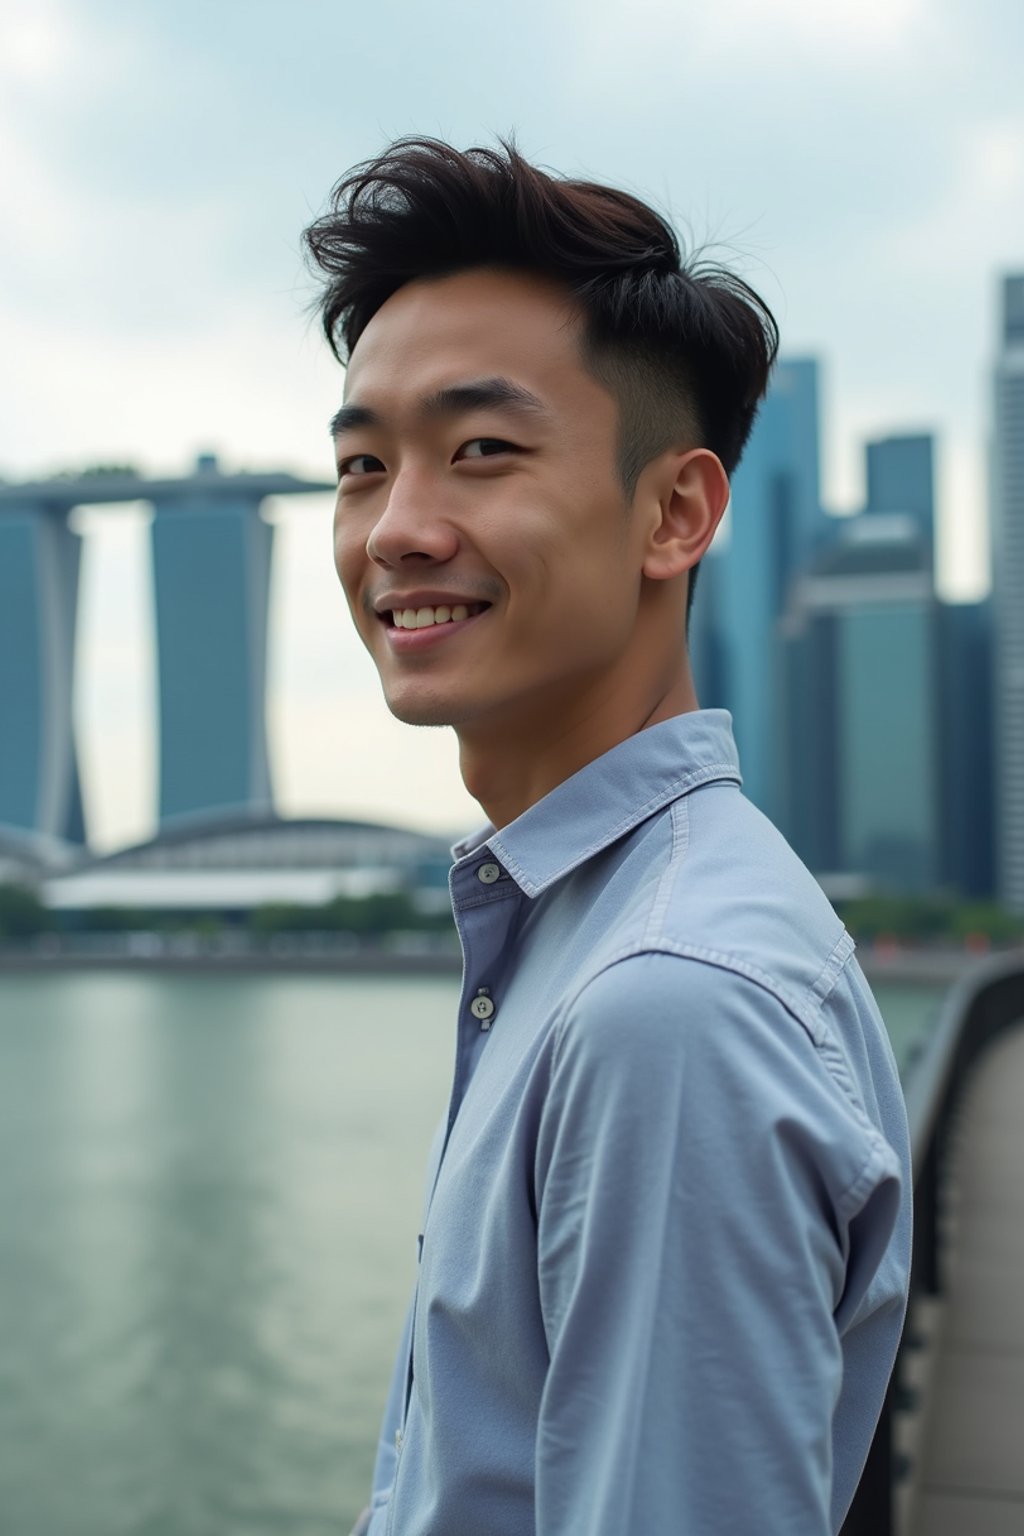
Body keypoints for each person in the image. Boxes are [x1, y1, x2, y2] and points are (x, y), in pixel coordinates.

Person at [302, 137, 912, 1536]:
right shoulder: (595, 926)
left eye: (481, 453)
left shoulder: (669, 1004)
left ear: (675, 512)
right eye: (360, 466)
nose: (396, 529)